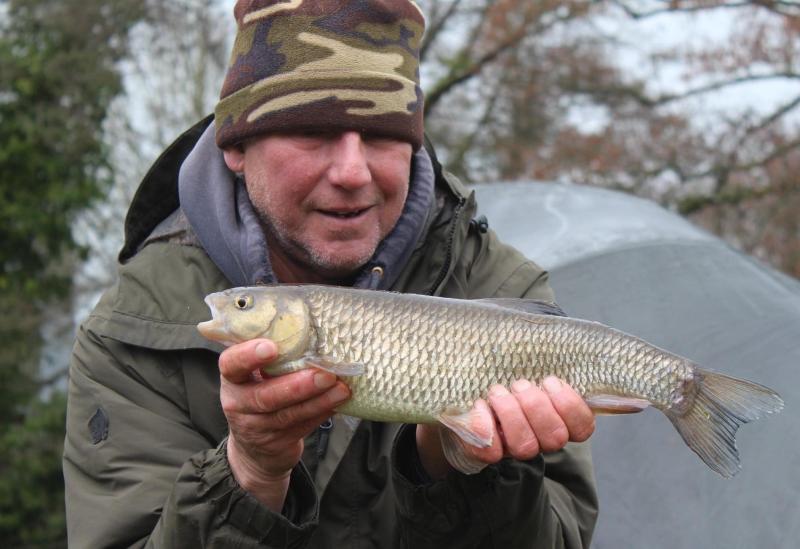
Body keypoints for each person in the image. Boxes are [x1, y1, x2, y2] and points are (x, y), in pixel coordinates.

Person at [63, 1, 598, 547]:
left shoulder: (503, 291)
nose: (351, 171)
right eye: (313, 132)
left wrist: (459, 467)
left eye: (381, 135)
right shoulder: (131, 330)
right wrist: (250, 475)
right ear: (237, 147)